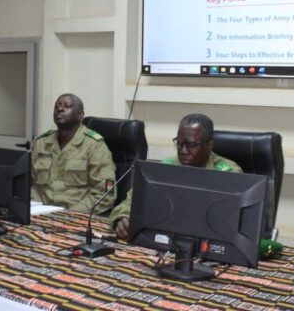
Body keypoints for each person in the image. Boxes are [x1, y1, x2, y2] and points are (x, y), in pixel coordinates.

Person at [109, 113, 241, 240]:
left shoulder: (229, 174)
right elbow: (131, 202)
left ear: (209, 145)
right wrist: (122, 218)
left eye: (191, 145)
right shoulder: (165, 168)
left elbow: (233, 224)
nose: (183, 151)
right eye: (179, 143)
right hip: (165, 241)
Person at [31, 93, 116, 215]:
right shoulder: (42, 142)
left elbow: (105, 195)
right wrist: (35, 208)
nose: (60, 109)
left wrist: (69, 213)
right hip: (40, 212)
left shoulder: (94, 146)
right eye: (57, 106)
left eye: (67, 106)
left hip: (76, 215)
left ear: (80, 115)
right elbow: (31, 184)